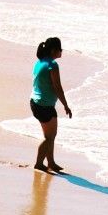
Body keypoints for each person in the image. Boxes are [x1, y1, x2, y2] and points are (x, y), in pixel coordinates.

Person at [30, 38, 71, 172]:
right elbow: (57, 87)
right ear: (54, 50)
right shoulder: (52, 65)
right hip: (44, 105)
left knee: (50, 136)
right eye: (60, 49)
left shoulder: (39, 62)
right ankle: (39, 163)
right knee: (50, 137)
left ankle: (51, 162)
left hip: (35, 103)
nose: (62, 51)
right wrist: (66, 105)